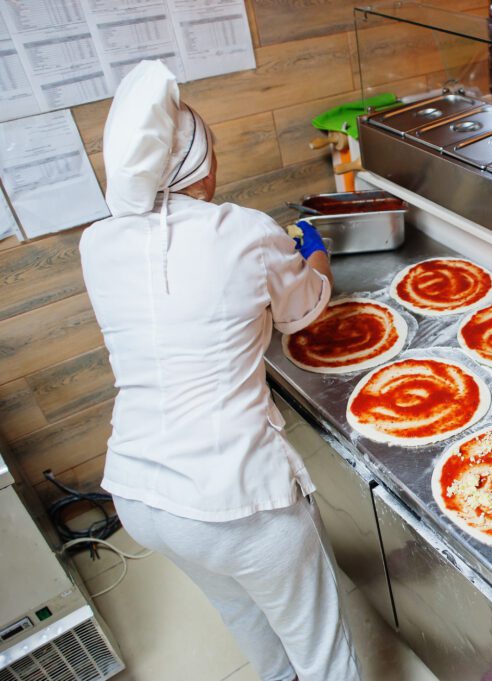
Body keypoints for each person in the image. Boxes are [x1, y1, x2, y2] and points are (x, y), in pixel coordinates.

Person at [79, 60, 361, 681]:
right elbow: (304, 312)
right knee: (324, 653)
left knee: (246, 619)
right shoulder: (245, 231)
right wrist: (316, 254)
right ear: (198, 169)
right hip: (236, 499)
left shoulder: (96, 244)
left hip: (140, 493)